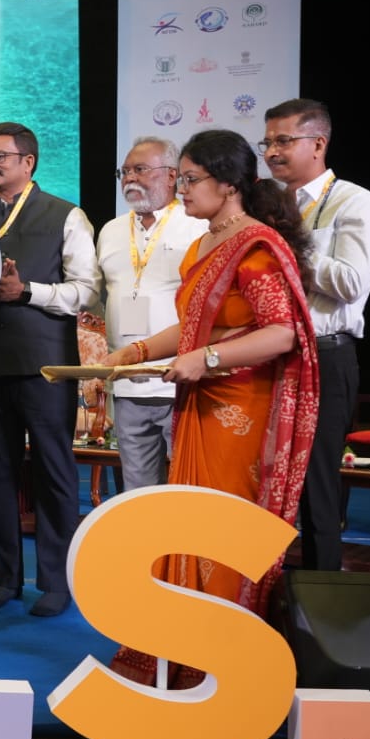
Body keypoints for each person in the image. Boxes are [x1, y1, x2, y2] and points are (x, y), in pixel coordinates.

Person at [101, 128, 318, 689]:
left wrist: (208, 358)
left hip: (241, 410)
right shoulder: (204, 245)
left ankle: (223, 663)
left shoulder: (256, 245)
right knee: (186, 523)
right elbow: (194, 328)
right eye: (181, 179)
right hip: (200, 403)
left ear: (228, 184)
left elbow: (282, 334)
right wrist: (135, 352)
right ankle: (180, 650)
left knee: (221, 530)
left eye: (191, 180)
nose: (182, 190)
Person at [0, 122, 99, 617]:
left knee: (54, 470)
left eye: (1, 156)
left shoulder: (66, 215)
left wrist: (26, 291)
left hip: (47, 366)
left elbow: (86, 291)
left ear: (28, 162)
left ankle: (56, 581)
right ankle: (6, 579)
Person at [261, 99, 370, 570]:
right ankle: (264, 587)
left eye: (283, 141)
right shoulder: (270, 204)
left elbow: (351, 283)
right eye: (266, 142)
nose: (272, 152)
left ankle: (320, 591)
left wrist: (289, 243)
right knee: (267, 477)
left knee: (316, 482)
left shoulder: (354, 201)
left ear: (318, 144)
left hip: (324, 356)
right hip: (267, 355)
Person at [94, 137, 206, 489]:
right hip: (128, 384)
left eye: (140, 169)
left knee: (187, 487)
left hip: (180, 380)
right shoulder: (111, 230)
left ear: (172, 175)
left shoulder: (198, 226)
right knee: (138, 489)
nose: (130, 178)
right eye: (124, 171)